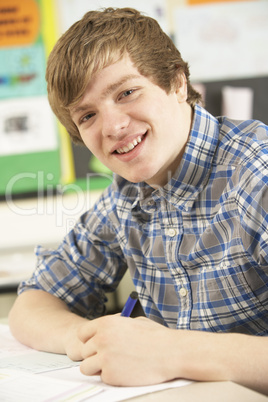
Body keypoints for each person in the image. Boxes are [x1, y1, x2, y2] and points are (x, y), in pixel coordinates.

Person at [9, 7, 268, 395]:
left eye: (127, 92)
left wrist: (173, 352)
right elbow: (32, 304)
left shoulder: (256, 175)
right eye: (88, 115)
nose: (112, 127)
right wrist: (91, 338)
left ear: (177, 83)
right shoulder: (130, 194)